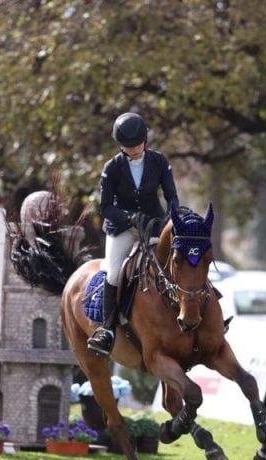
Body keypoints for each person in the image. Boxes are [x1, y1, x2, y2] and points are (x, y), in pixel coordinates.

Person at [87, 112, 179, 356]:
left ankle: (196, 312)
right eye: (129, 146)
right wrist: (128, 217)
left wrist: (173, 214)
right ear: (120, 145)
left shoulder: (159, 161)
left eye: (138, 144)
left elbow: (171, 195)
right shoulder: (112, 167)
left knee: (179, 258)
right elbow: (104, 207)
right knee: (114, 272)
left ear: (145, 140)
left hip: (153, 224)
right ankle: (106, 330)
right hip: (123, 228)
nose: (135, 149)